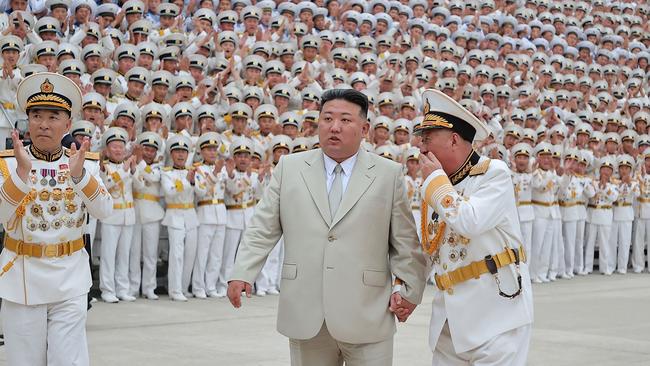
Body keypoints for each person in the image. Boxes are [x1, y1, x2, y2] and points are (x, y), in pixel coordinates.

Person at [227, 89, 427, 366]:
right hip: (307, 312)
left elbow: (405, 242)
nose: (334, 127)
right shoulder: (290, 168)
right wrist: (242, 272)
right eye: (327, 118)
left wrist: (409, 291)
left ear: (365, 128)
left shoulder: (387, 174)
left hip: (367, 313)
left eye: (345, 120)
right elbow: (263, 226)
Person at [0, 72, 112, 365]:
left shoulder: (83, 163)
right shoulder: (9, 163)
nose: (44, 124)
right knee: (23, 361)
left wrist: (79, 176)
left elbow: (104, 211)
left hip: (70, 276)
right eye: (36, 115)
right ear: (27, 120)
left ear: (67, 123)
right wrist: (22, 175)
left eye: (53, 116)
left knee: (69, 361)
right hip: (23, 276)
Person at [416, 89, 533, 365]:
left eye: (428, 139)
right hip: (451, 323)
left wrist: (434, 182)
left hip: (497, 315)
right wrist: (404, 290)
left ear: (454, 139)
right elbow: (426, 248)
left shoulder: (494, 173)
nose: (421, 148)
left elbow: (469, 221)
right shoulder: (437, 184)